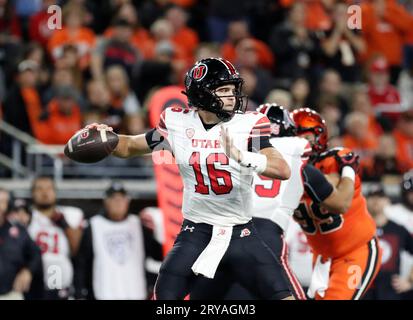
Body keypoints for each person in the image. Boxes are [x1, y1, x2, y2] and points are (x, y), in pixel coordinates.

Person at [85, 57, 294, 300]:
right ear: (203, 93)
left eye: (232, 90)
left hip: (241, 233)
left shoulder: (248, 124)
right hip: (196, 232)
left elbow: (281, 169)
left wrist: (242, 156)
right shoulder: (177, 123)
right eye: (224, 90)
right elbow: (130, 146)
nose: (232, 97)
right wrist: (104, 137)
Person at [191, 104, 358, 300]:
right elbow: (341, 203)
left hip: (217, 236)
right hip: (263, 236)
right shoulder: (298, 161)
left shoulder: (231, 152)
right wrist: (348, 169)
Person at [291, 108, 383, 300]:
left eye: (305, 137)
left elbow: (343, 202)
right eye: (294, 138)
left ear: (320, 137)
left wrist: (347, 171)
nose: (300, 144)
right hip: (322, 257)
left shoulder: (334, 160)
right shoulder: (282, 170)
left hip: (355, 250)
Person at [75, 182, 155, 300]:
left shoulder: (139, 225)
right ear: (106, 202)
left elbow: (157, 253)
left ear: (127, 201)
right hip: (102, 293)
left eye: (122, 198)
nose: (118, 202)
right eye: (114, 198)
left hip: (136, 292)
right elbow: (81, 262)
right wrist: (79, 292)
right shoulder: (93, 225)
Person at [28, 176, 84, 300]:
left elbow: (77, 250)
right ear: (32, 193)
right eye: (39, 188)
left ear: (55, 192)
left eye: (49, 188)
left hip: (61, 281)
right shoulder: (26, 217)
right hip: (33, 282)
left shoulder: (69, 215)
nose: (44, 192)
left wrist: (63, 223)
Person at [364, 185, 413, 300]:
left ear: (387, 200)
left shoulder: (398, 229)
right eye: (372, 197)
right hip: (363, 292)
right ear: (365, 201)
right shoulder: (358, 229)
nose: (376, 201)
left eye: (380, 197)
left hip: (390, 294)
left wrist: (410, 281)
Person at [0, 188, 42, 300]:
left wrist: (28, 270)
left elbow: (36, 254)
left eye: (3, 201)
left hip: (10, 293)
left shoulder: (18, 231)